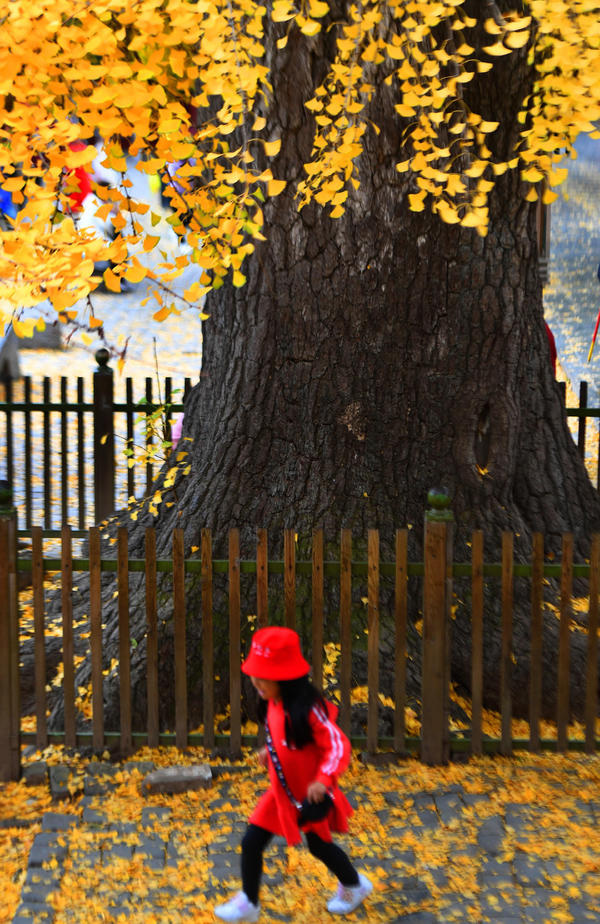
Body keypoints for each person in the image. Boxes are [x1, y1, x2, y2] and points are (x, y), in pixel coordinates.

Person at [214, 626, 372, 922]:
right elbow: (282, 738)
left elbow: (338, 745)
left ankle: (355, 884)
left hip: (309, 796)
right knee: (251, 842)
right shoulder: (272, 702)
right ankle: (249, 903)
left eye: (264, 677)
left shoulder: (310, 710)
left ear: (287, 678)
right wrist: (269, 752)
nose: (256, 682)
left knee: (320, 847)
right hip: (280, 794)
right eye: (254, 674)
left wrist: (324, 780)